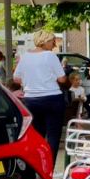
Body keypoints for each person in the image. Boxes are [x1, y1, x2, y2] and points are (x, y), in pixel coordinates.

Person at [13, 29, 68, 169]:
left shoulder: (25, 56)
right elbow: (62, 79)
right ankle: (49, 167)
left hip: (31, 100)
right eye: (52, 41)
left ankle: (37, 166)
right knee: (53, 135)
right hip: (52, 99)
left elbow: (16, 78)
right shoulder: (50, 56)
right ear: (45, 41)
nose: (53, 44)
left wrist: (29, 82)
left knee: (37, 135)